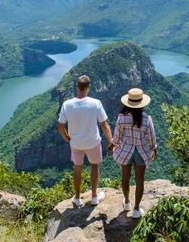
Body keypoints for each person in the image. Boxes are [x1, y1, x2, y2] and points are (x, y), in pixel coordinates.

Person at [58, 75, 114, 207]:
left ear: (77, 87)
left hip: (76, 143)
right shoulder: (95, 103)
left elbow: (60, 126)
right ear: (88, 88)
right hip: (92, 142)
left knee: (77, 170)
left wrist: (66, 138)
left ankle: (77, 199)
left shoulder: (67, 104)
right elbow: (104, 125)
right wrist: (111, 142)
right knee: (94, 166)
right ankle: (94, 197)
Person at [110, 88, 157, 218]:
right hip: (141, 152)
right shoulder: (147, 119)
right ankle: (136, 209)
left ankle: (126, 203)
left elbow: (117, 136)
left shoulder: (121, 117)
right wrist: (154, 148)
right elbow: (151, 137)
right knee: (139, 180)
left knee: (125, 177)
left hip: (126, 151)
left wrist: (112, 145)